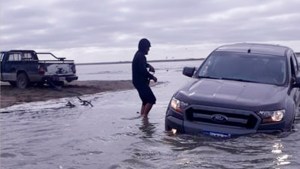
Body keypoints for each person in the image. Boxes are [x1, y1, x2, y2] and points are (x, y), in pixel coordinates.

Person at [132, 38, 157, 118]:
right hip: (140, 82)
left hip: (137, 82)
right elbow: (143, 70)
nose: (149, 49)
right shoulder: (141, 56)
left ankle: (142, 118)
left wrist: (148, 65)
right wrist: (152, 77)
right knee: (152, 99)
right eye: (148, 47)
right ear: (144, 47)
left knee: (145, 101)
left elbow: (142, 64)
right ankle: (145, 117)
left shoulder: (138, 54)